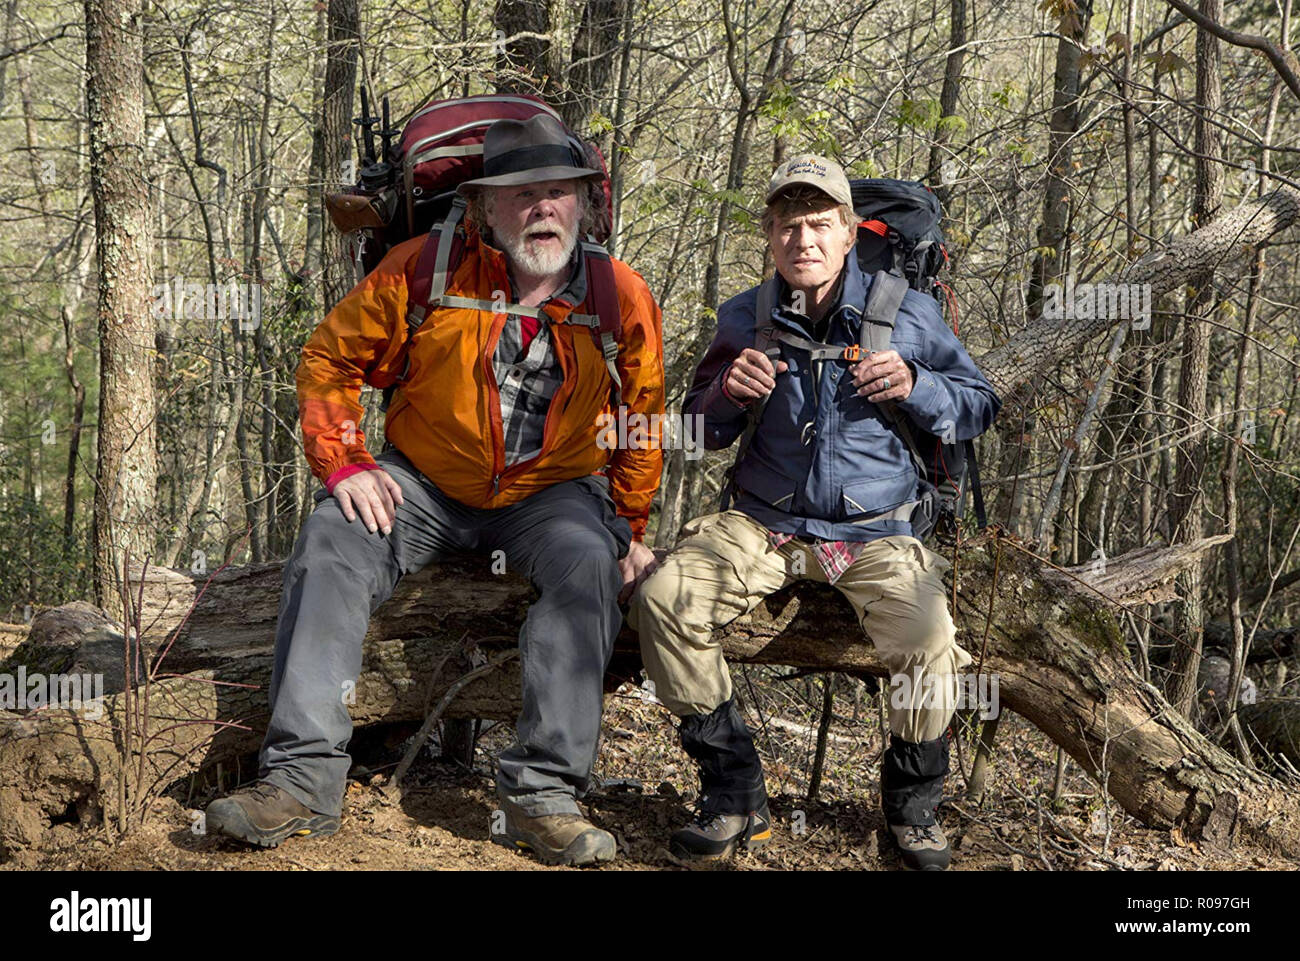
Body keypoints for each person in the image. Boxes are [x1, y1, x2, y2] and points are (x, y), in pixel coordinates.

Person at [205, 114, 665, 867]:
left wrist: (632, 523)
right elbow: (328, 357)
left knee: (588, 562)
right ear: (485, 207)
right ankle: (300, 780)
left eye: (557, 193)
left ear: (584, 203)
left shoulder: (619, 294)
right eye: (520, 196)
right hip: (421, 481)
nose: (541, 209)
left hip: (551, 493)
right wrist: (346, 462)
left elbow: (643, 415)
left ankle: (543, 793)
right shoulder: (427, 267)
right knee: (331, 541)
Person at [629, 153, 999, 870]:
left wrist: (918, 384)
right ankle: (733, 787)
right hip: (763, 524)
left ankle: (912, 805)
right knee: (666, 599)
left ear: (847, 233)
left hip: (877, 531)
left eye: (820, 224)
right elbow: (698, 434)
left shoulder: (905, 312)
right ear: (769, 235)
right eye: (788, 225)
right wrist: (726, 395)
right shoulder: (746, 314)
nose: (804, 239)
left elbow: (979, 405)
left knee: (929, 643)